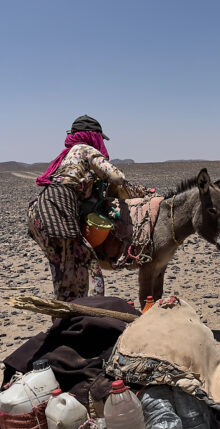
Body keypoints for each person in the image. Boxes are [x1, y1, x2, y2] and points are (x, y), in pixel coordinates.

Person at [28, 115, 142, 301]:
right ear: (93, 136)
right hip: (57, 208)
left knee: (65, 270)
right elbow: (116, 177)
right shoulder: (84, 148)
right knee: (89, 263)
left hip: (40, 212)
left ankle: (67, 316)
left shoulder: (67, 155)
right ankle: (92, 313)